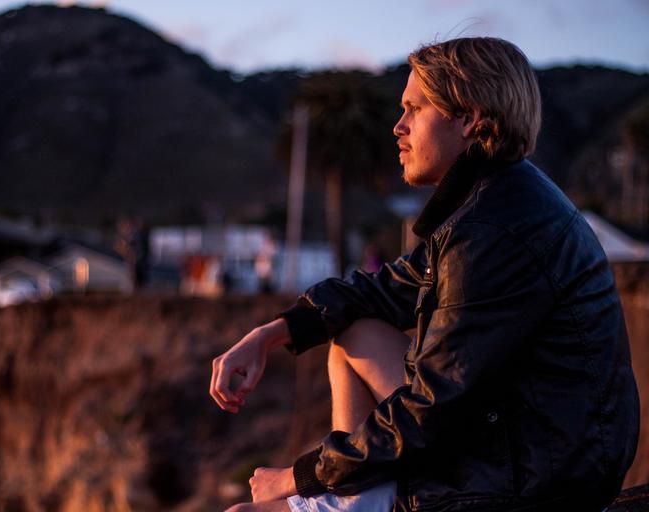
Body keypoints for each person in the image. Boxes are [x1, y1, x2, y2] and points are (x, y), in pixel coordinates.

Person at [210, 37, 640, 512]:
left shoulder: (492, 229)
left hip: (535, 480)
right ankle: (358, 499)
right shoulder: (495, 200)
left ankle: (352, 499)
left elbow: (434, 406)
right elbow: (379, 291)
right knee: (353, 331)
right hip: (530, 449)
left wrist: (301, 476)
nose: (399, 126)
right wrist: (270, 334)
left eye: (415, 109)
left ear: (468, 118)